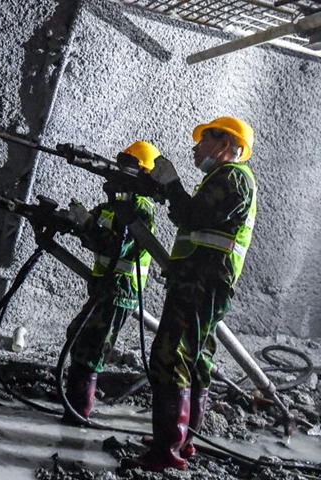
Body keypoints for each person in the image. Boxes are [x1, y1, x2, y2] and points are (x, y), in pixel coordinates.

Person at [122, 117, 256, 472]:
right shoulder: (223, 179)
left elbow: (192, 217)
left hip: (201, 282)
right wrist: (169, 189)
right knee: (195, 360)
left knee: (171, 357)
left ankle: (166, 451)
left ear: (224, 144)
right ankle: (182, 441)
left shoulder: (233, 178)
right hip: (201, 281)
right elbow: (194, 219)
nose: (196, 148)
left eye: (203, 140)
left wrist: (172, 184)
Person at [62, 141, 159, 424]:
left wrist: (87, 224)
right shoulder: (113, 204)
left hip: (121, 289)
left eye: (129, 164)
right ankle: (74, 407)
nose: (120, 168)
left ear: (143, 173)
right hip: (105, 286)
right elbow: (96, 237)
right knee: (78, 336)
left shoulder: (139, 207)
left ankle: (78, 414)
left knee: (91, 349)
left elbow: (118, 246)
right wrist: (76, 221)